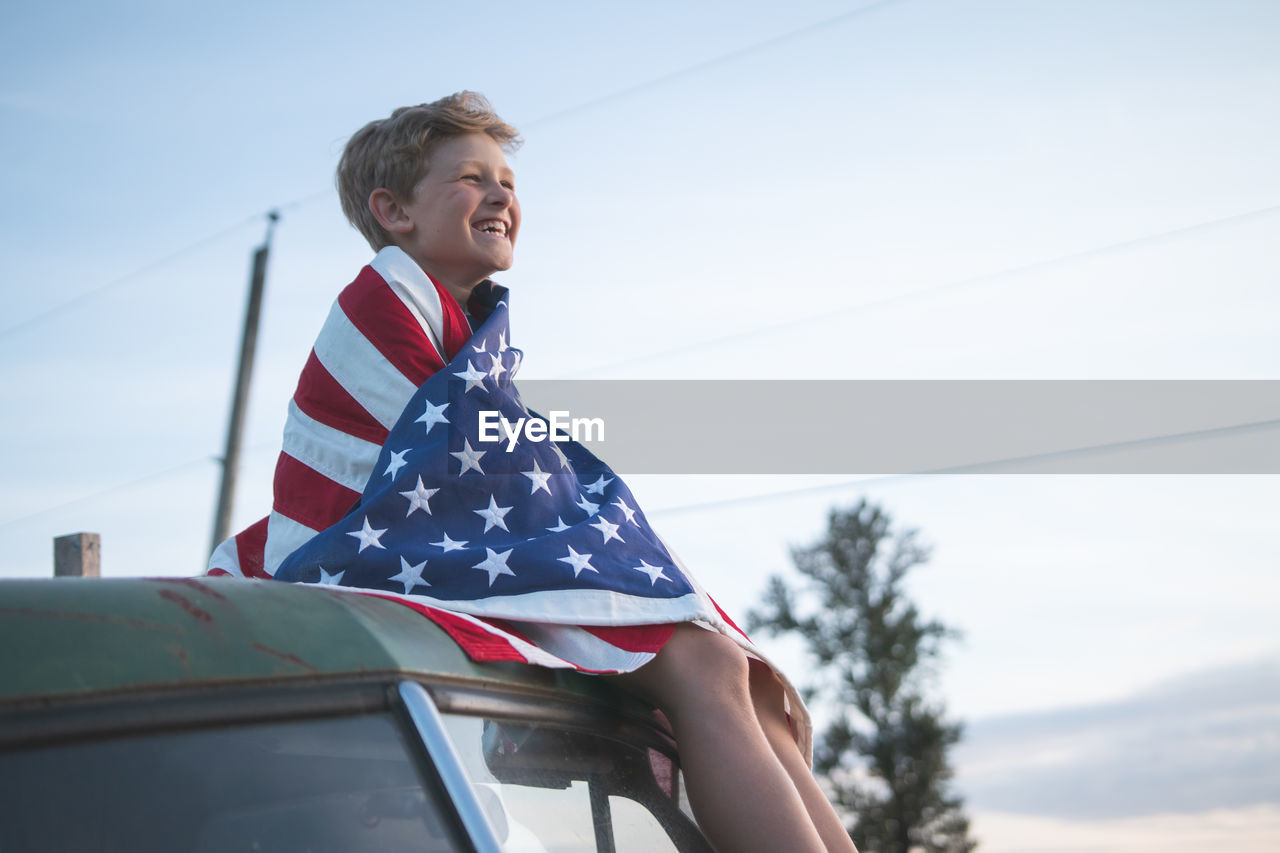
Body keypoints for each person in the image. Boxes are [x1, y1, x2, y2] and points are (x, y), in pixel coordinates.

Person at [210, 91, 856, 853]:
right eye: (472, 178)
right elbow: (462, 464)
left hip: (437, 544)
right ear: (394, 212)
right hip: (365, 550)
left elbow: (510, 457)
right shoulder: (384, 298)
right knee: (701, 662)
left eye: (508, 183)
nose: (500, 195)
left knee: (744, 676)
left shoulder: (466, 326)